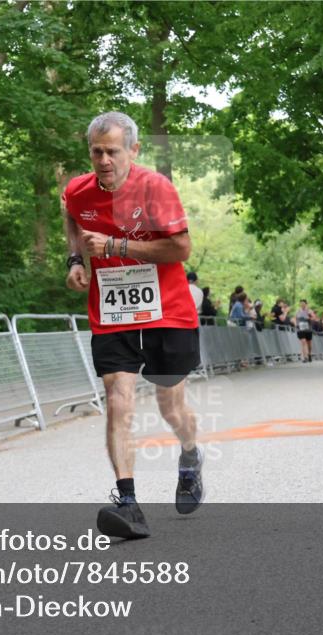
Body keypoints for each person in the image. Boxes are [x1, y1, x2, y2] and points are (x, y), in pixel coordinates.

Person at [62, 111, 203, 540]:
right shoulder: (78, 191)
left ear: (134, 150)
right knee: (118, 401)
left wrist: (117, 245)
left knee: (170, 408)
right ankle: (128, 502)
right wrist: (74, 260)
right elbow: (71, 214)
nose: (104, 160)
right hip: (113, 314)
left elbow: (181, 248)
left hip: (167, 311)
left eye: (113, 151)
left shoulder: (155, 188)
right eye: (96, 152)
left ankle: (190, 454)